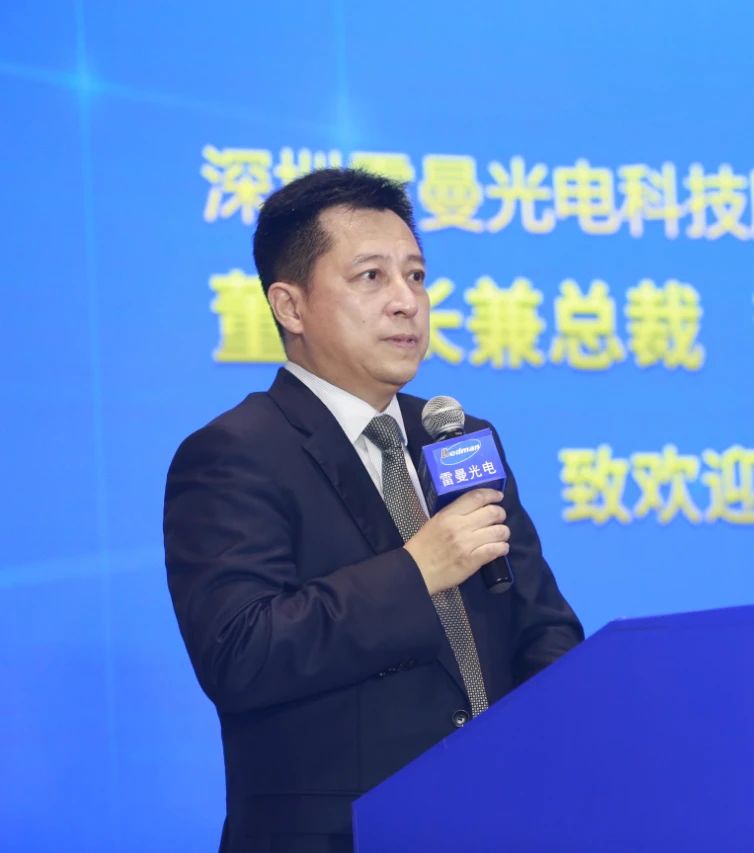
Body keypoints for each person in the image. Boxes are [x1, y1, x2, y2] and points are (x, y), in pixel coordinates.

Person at [163, 168, 583, 852]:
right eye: (371, 277)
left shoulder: (457, 436)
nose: (406, 302)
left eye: (416, 276)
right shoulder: (236, 452)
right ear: (290, 306)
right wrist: (416, 572)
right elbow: (241, 654)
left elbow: (542, 626)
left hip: (491, 825)